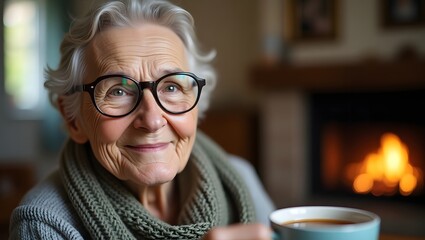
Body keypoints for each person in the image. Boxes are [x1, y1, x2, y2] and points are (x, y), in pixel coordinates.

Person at [9, 0, 275, 239]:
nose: (152, 120)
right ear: (73, 119)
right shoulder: (44, 223)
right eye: (118, 91)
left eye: (171, 87)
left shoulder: (240, 179)